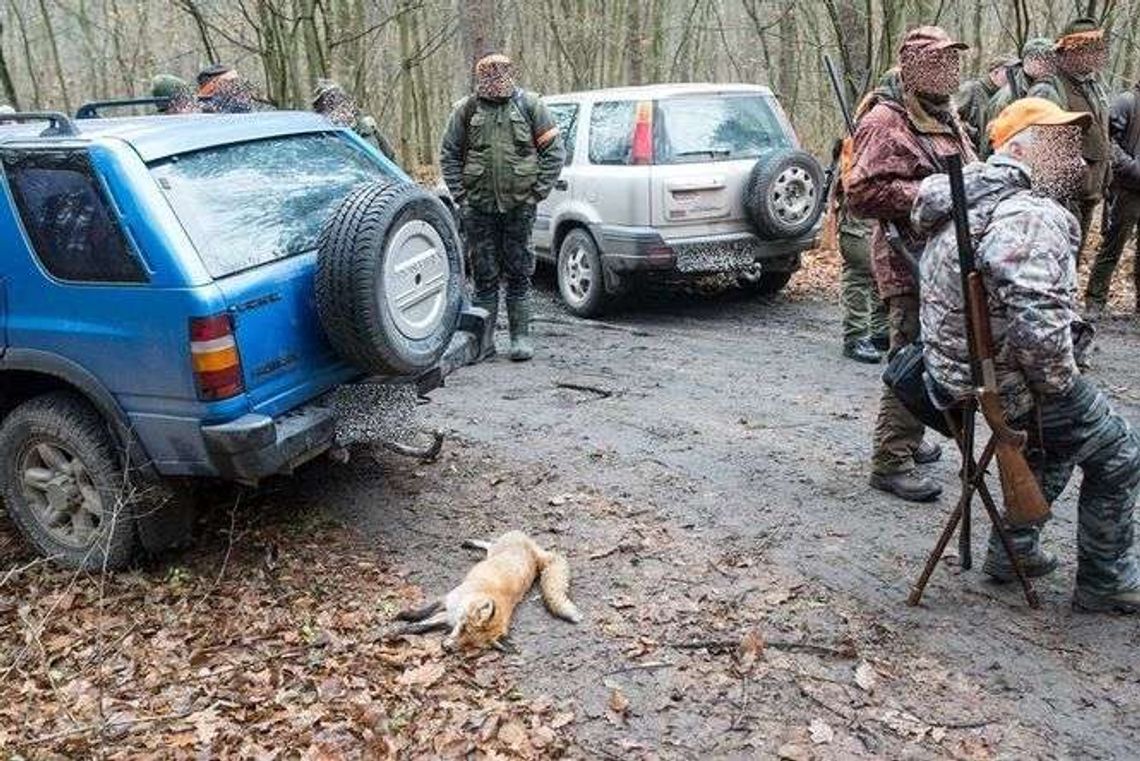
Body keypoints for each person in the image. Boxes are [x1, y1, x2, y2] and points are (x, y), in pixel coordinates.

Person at [913, 97, 1140, 613]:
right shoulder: (1031, 214)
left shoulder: (965, 199)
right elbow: (1040, 336)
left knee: (1060, 440)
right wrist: (1067, 385)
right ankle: (1106, 582)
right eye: (1060, 146)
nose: (1077, 160)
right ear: (1018, 149)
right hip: (1005, 386)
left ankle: (1013, 549)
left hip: (956, 380)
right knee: (1121, 454)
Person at [846, 26, 976, 502]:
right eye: (936, 62)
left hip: (945, 255)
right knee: (913, 356)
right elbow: (859, 193)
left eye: (951, 61)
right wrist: (929, 193)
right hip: (908, 259)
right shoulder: (886, 120)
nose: (947, 70)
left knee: (942, 353)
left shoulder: (944, 113)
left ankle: (914, 438)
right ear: (912, 67)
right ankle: (890, 459)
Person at [439, 53, 564, 362]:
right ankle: (484, 341)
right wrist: (461, 197)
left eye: (500, 75)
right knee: (484, 276)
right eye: (488, 76)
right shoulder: (465, 110)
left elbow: (554, 152)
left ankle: (520, 338)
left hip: (520, 206)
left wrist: (537, 192)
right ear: (480, 78)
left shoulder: (531, 106)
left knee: (520, 273)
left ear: (511, 75)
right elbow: (449, 154)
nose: (494, 81)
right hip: (477, 208)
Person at [1035, 18, 1112, 250]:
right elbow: (1044, 152)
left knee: (1072, 262)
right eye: (1089, 49)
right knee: (1056, 259)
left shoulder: (1094, 87)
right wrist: (1060, 198)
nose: (1096, 56)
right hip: (1063, 200)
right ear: (1070, 51)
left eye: (1098, 49)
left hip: (1088, 194)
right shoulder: (1050, 87)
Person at [1085, 79, 1140, 314]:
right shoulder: (1127, 101)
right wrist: (1133, 169)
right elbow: (1108, 142)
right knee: (1113, 245)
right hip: (1127, 189)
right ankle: (1095, 303)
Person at [312, 79, 396, 161]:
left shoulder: (368, 128)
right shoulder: (323, 141)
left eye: (341, 101)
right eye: (331, 105)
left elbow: (391, 159)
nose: (339, 109)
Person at [956, 53, 1016, 154]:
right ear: (995, 72)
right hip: (970, 153)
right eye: (1010, 72)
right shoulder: (971, 89)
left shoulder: (1006, 96)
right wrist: (972, 132)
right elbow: (950, 119)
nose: (1014, 77)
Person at [988, 38, 1057, 120]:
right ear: (1026, 61)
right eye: (1037, 59)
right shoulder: (1007, 97)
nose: (1044, 63)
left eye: (1048, 58)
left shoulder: (1056, 83)